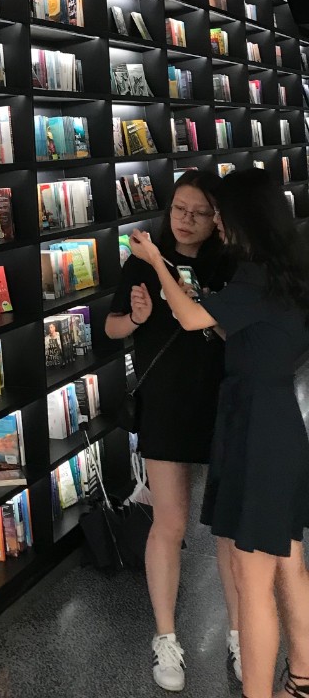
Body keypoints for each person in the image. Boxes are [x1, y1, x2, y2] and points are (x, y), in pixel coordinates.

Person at [130, 169, 309, 698]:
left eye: (219, 214)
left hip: (258, 425)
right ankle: (301, 680)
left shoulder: (253, 275)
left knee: (253, 582)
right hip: (281, 420)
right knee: (288, 563)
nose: (217, 226)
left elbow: (189, 320)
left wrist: (158, 265)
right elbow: (241, 328)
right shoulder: (287, 269)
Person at [106, 169, 240, 691]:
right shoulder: (140, 260)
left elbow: (221, 325)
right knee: (170, 523)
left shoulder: (227, 263)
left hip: (222, 400)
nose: (185, 221)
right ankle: (165, 637)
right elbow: (113, 327)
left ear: (216, 219)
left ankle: (237, 630)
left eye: (198, 212)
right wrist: (136, 320)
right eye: (178, 209)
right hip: (164, 403)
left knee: (228, 531)